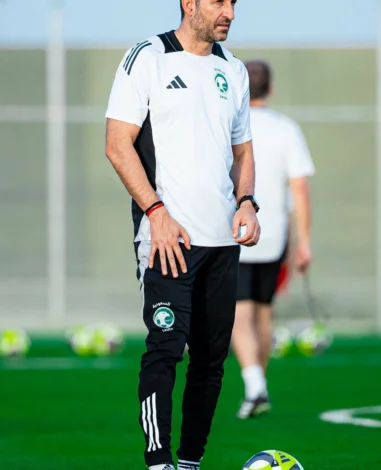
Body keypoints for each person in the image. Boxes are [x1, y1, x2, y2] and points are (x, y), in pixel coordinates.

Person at [104, 1, 260, 469]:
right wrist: (156, 213)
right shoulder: (148, 57)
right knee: (166, 348)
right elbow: (117, 144)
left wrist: (247, 202)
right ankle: (159, 462)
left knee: (211, 361)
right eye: (219, 2)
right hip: (167, 241)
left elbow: (243, 151)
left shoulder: (233, 70)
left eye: (234, 3)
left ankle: (190, 462)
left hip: (222, 242)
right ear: (189, 4)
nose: (230, 12)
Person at [231, 60, 315, 419]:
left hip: (235, 231)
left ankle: (255, 387)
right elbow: (300, 189)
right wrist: (304, 241)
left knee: (238, 314)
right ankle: (258, 386)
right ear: (272, 88)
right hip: (273, 236)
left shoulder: (230, 124)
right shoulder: (286, 129)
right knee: (263, 312)